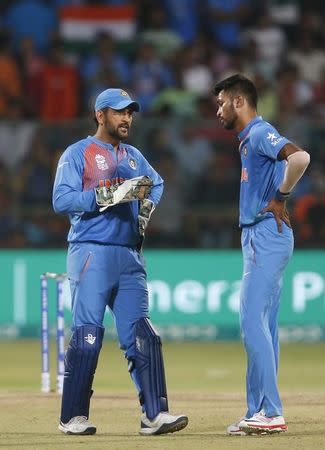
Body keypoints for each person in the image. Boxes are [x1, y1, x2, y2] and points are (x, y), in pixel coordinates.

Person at [52, 88, 188, 436]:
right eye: (119, 112)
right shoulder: (78, 152)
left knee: (142, 333)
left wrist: (144, 213)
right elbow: (61, 199)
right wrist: (108, 195)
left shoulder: (133, 155)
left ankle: (154, 414)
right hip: (91, 251)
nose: (127, 118)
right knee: (88, 336)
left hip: (129, 254)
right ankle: (73, 417)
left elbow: (155, 184)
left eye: (130, 112)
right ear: (100, 115)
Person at [212, 74, 310, 435]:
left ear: (239, 102)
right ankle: (257, 410)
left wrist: (281, 197)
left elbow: (300, 156)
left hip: (265, 235)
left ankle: (272, 411)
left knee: (252, 321)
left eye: (222, 103)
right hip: (263, 237)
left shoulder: (257, 132)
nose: (218, 110)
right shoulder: (246, 141)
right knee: (264, 326)